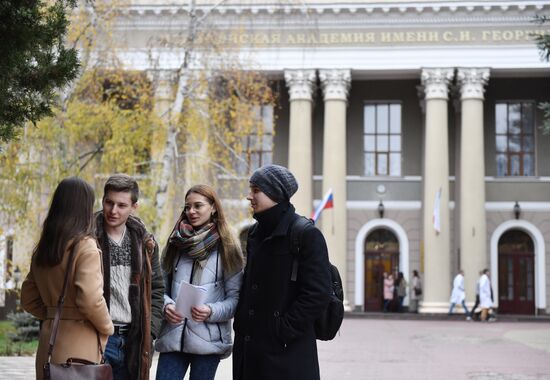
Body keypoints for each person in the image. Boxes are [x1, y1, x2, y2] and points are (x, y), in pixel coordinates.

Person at [233, 164, 331, 380]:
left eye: (256, 190)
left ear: (275, 193)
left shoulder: (306, 234)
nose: (249, 196)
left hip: (287, 354)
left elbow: (318, 293)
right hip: (250, 352)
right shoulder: (255, 233)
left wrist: (282, 330)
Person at [21, 177, 114, 380]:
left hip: (49, 344)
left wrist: (54, 313)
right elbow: (90, 300)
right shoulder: (85, 246)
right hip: (80, 344)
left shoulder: (45, 247)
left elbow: (27, 298)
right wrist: (107, 326)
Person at [155, 184, 244, 380]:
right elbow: (158, 288)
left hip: (208, 342)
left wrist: (210, 311)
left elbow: (235, 299)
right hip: (172, 337)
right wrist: (167, 306)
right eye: (187, 207)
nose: (191, 211)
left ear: (213, 207)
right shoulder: (175, 243)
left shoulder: (228, 246)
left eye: (198, 206)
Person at [95, 173, 164, 380]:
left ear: (134, 207)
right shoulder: (88, 237)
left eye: (121, 205)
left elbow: (157, 290)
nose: (113, 211)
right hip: (97, 338)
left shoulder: (145, 243)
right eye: (109, 203)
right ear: (103, 201)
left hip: (133, 340)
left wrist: (149, 332)